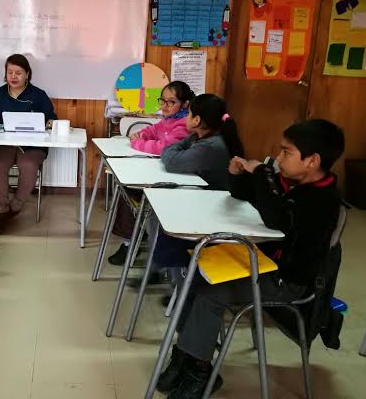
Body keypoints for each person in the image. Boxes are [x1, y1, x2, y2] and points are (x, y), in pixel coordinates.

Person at [158, 119, 344, 399]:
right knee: (193, 278)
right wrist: (239, 176)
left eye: (287, 152)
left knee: (210, 294)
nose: (279, 158)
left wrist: (262, 173)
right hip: (262, 264)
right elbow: (248, 197)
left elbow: (276, 219)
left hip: (287, 281)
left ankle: (199, 370)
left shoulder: (321, 199)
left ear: (312, 160)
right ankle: (185, 356)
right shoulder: (293, 183)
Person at [132, 94, 244, 293]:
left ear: (197, 120)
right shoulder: (202, 138)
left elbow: (170, 159)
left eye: (189, 113)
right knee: (157, 210)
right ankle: (162, 270)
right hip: (204, 199)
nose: (186, 118)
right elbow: (172, 150)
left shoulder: (210, 147)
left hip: (213, 209)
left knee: (163, 217)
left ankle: (180, 286)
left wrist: (179, 146)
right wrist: (186, 141)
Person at [107, 81, 195, 266]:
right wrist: (141, 135)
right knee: (125, 186)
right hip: (161, 171)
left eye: (171, 102)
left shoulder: (184, 124)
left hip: (173, 181)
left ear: (185, 104)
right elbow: (153, 130)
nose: (165, 106)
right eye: (162, 100)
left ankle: (131, 241)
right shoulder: (169, 119)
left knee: (128, 188)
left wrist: (137, 143)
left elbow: (164, 147)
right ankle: (133, 238)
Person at [0, 54, 57, 232]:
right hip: (5, 144)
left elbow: (52, 118)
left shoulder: (38, 95)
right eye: (10, 72)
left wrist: (50, 122)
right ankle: (1, 211)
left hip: (32, 146)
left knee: (29, 165)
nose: (13, 76)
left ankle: (15, 206)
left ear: (27, 74)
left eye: (18, 73)